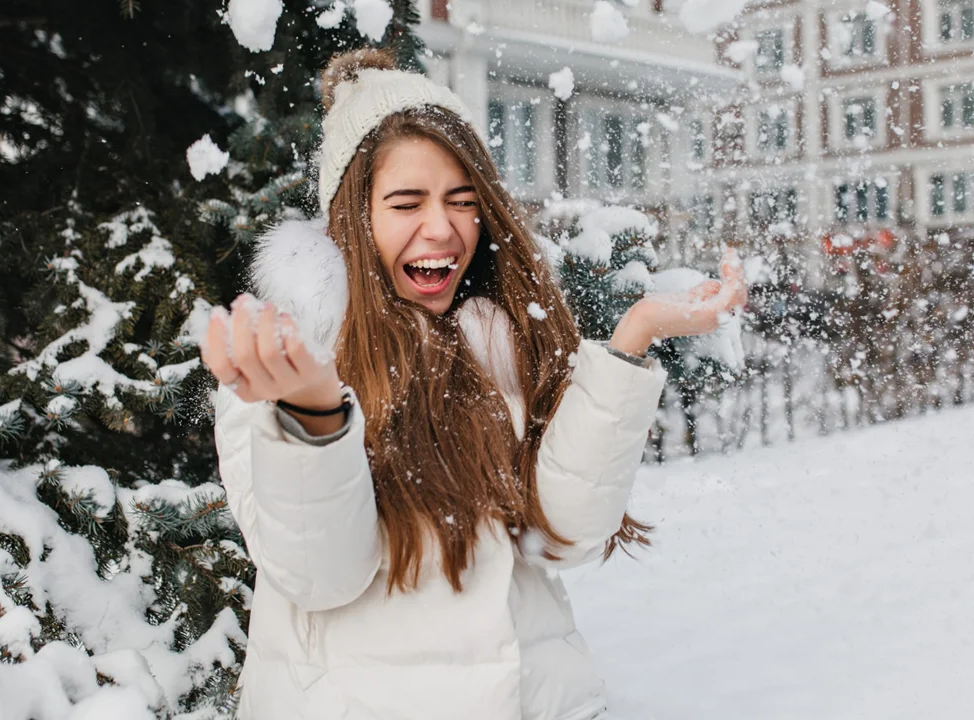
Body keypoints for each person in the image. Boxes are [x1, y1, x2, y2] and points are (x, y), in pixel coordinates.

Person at [200, 48, 748, 720]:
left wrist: (632, 340)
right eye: (407, 202)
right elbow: (321, 577)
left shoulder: (505, 339)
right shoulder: (280, 371)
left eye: (463, 201)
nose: (444, 228)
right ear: (354, 216)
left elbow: (565, 537)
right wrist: (313, 419)